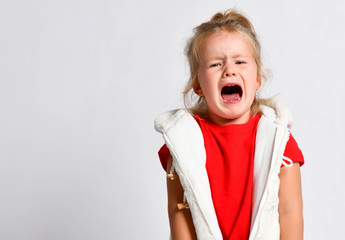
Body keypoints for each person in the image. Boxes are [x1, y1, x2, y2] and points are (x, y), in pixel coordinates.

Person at [155, 9, 304, 240]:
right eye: (215, 65)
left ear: (257, 80)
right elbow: (178, 213)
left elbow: (290, 213)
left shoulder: (279, 141)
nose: (229, 70)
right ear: (198, 86)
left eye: (240, 61)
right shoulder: (182, 143)